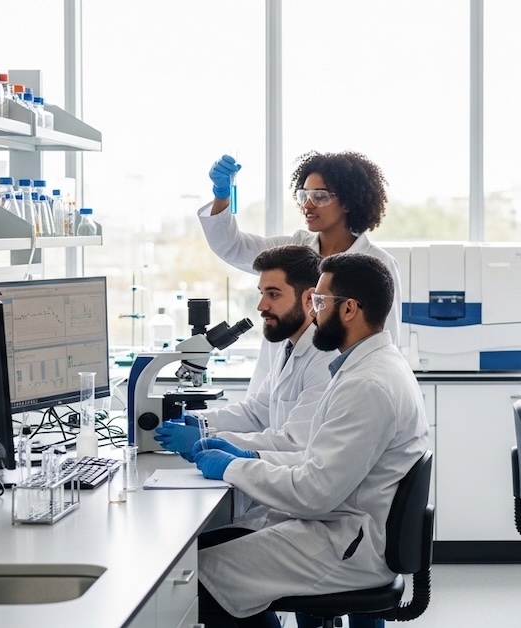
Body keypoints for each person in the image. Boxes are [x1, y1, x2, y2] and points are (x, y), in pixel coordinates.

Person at [186, 253, 428, 628]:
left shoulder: (366, 384)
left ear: (348, 309)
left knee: (190, 581)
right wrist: (245, 456)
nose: (313, 311)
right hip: (341, 523)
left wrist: (235, 466)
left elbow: (315, 491)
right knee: (204, 558)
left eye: (319, 301)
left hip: (345, 544)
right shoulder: (365, 367)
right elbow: (316, 458)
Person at [199, 151, 403, 399]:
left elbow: (382, 342)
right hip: (279, 385)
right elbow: (232, 247)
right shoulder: (293, 249)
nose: (307, 204)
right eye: (304, 195)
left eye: (320, 196)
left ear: (349, 202)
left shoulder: (378, 264)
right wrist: (222, 197)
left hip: (342, 390)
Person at [154, 245, 334, 460]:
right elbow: (256, 412)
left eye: (273, 294)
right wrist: (196, 419)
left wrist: (205, 436)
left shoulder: (325, 358)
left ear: (309, 299)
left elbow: (294, 442)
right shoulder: (289, 347)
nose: (261, 305)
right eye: (261, 293)